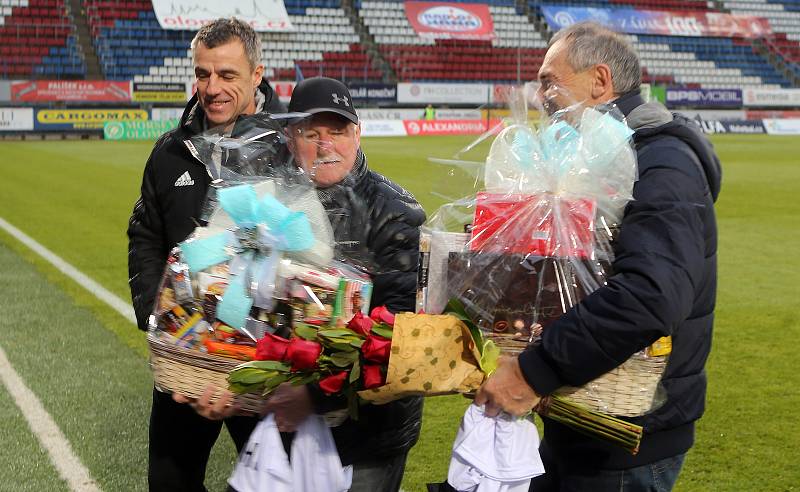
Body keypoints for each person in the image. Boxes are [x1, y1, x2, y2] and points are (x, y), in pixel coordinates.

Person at [475, 22, 721, 491]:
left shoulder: (660, 161)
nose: (540, 95)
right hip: (576, 417)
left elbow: (649, 295)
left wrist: (533, 370)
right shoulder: (588, 157)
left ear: (600, 81)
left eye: (550, 80)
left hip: (628, 443)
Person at [127, 17, 285, 492]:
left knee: (273, 485)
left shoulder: (288, 149)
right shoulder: (170, 151)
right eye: (203, 74)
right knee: (170, 481)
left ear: (257, 75)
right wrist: (154, 315)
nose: (212, 88)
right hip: (186, 353)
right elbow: (145, 235)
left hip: (264, 362)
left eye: (227, 75)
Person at [254, 76, 426, 492]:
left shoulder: (395, 213)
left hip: (369, 429)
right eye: (311, 133)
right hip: (287, 418)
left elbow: (396, 336)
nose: (325, 144)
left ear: (358, 133)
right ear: (290, 138)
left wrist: (313, 397)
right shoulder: (269, 202)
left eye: (338, 131)